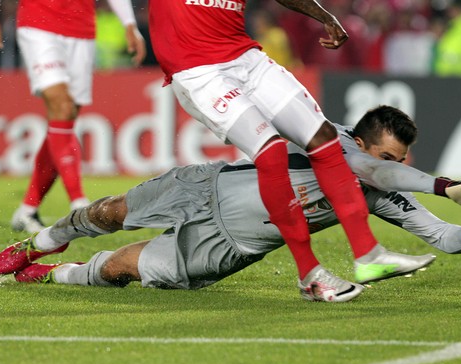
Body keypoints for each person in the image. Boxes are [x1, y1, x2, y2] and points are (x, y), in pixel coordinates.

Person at [0, 106, 461, 303]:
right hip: (204, 187)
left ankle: (58, 274)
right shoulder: (327, 137)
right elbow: (368, 169)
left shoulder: (388, 193)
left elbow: (441, 236)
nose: (393, 168)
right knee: (107, 212)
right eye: (388, 155)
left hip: (231, 244)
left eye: (404, 161)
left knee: (121, 268)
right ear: (359, 142)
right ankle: (38, 241)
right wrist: (444, 184)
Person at [144, 0, 436, 302]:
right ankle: (310, 276)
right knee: (271, 153)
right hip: (199, 69)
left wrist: (324, 15)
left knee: (324, 137)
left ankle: (369, 255)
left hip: (245, 57)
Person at [0, 0, 146, 233]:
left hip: (82, 30)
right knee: (62, 108)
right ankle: (79, 203)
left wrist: (129, 23)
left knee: (63, 122)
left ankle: (27, 209)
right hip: (39, 24)